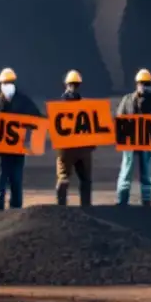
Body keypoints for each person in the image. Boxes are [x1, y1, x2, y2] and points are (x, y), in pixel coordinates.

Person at [0, 68, 44, 210]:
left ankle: (16, 214)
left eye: (10, 82)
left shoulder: (23, 101)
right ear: (0, 84)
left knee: (16, 184)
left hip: (17, 152)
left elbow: (37, 118)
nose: (8, 85)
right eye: (5, 82)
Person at [115, 68, 151, 207]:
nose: (143, 86)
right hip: (130, 143)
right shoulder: (127, 100)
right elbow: (119, 118)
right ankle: (122, 200)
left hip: (147, 142)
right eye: (141, 83)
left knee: (146, 173)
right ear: (137, 83)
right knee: (126, 170)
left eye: (146, 83)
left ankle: (146, 202)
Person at [55, 70, 93, 207]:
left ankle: (61, 208)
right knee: (86, 180)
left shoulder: (59, 106)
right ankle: (87, 208)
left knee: (64, 178)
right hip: (82, 148)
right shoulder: (86, 106)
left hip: (66, 149)